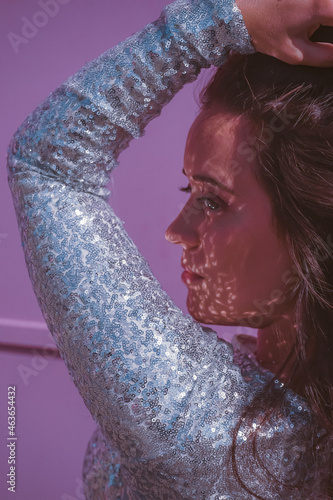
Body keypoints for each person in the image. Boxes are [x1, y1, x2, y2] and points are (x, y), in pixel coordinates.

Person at [6, 0, 333, 498]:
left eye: (212, 200)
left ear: (314, 230)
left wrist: (222, 21)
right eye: (189, 193)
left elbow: (48, 163)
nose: (176, 231)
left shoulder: (215, 433)